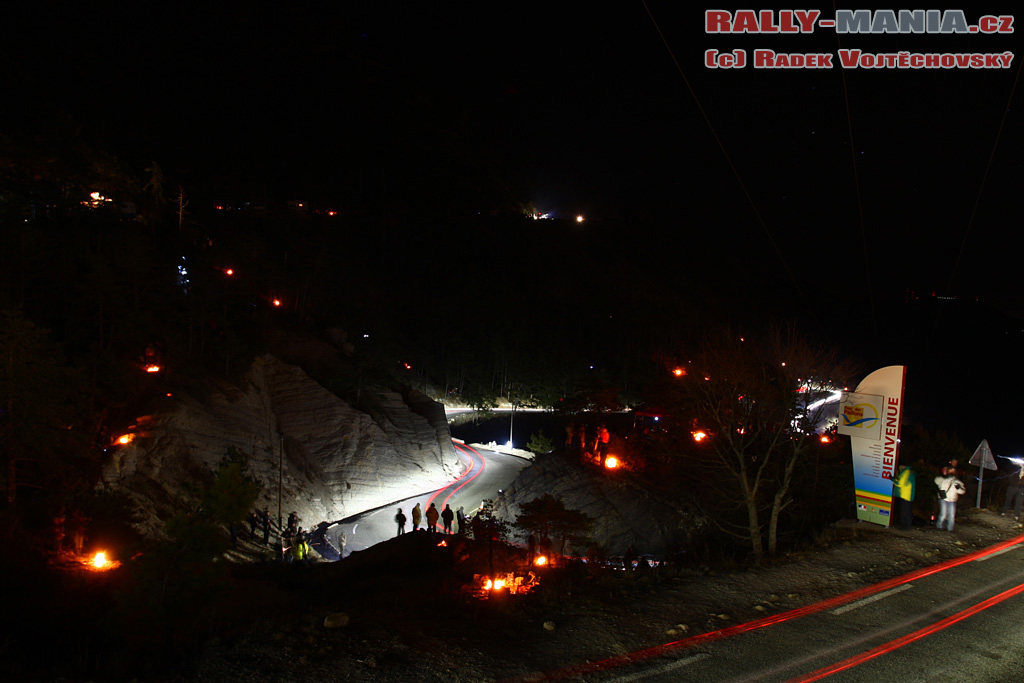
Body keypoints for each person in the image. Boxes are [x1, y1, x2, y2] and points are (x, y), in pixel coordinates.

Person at [935, 466, 966, 531]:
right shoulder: (943, 480)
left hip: (952, 500)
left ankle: (950, 529)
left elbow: (962, 491)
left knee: (951, 516)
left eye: (953, 471)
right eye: (950, 470)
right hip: (944, 499)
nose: (951, 472)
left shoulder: (957, 482)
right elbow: (936, 480)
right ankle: (939, 527)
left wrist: (958, 488)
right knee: (943, 514)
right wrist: (943, 476)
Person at [893, 462, 916, 531]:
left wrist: (892, 479)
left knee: (905, 511)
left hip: (906, 495)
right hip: (908, 495)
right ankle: (906, 526)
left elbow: (900, 483)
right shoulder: (909, 472)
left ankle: (905, 526)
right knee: (907, 511)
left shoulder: (906, 472)